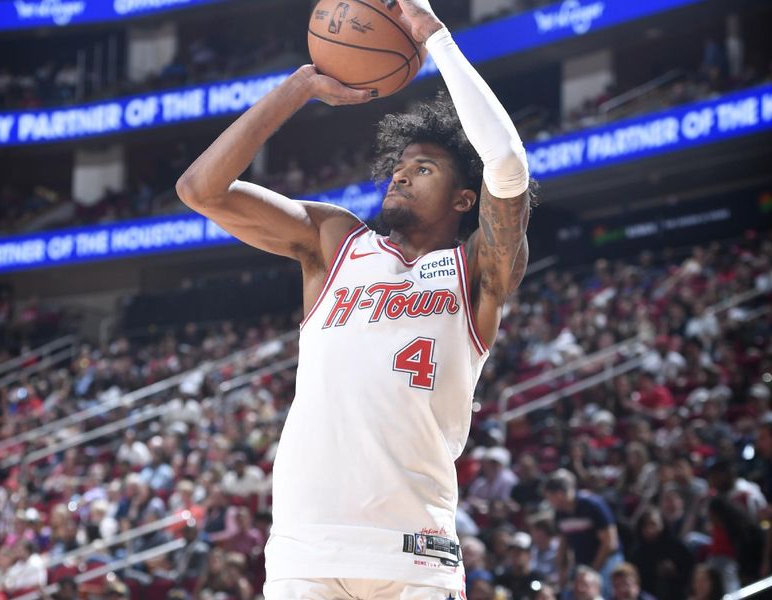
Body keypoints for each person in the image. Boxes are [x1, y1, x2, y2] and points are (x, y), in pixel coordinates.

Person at [175, 0, 532, 597]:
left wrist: (435, 38)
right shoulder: (334, 241)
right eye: (399, 165)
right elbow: (200, 190)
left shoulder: (477, 270)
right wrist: (298, 89)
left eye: (422, 169)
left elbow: (507, 165)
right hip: (306, 549)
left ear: (464, 200)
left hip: (418, 552)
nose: (399, 174)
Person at [543, 469, 622, 598]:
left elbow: (610, 542)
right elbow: (564, 544)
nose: (549, 502)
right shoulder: (560, 514)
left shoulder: (592, 505)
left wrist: (594, 570)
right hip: (582, 563)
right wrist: (562, 572)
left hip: (607, 560)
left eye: (549, 498)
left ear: (559, 494)